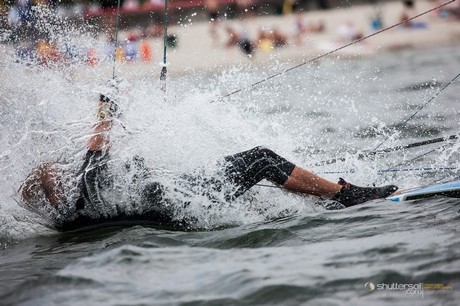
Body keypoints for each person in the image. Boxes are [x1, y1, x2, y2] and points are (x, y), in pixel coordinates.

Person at [18, 92, 398, 231]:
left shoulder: (74, 218)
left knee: (247, 176)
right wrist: (107, 106)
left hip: (177, 203)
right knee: (261, 158)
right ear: (52, 190)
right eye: (50, 175)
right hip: (182, 204)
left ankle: (290, 202)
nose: (57, 171)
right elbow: (100, 137)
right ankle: (344, 195)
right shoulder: (87, 188)